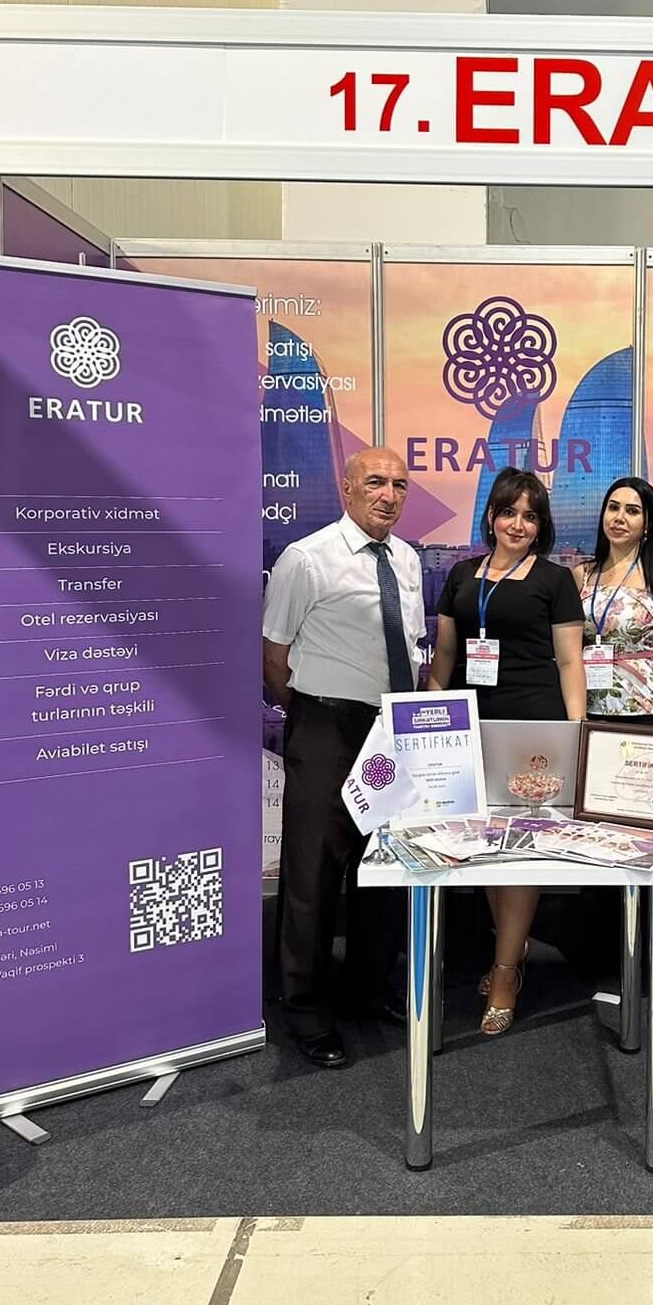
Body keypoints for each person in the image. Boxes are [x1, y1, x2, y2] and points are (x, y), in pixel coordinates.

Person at [262, 447, 425, 1069]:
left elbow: (409, 643)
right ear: (347, 488)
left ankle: (367, 991)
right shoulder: (306, 559)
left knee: (382, 864)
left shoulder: (406, 559)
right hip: (327, 725)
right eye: (376, 482)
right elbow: (274, 656)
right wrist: (312, 711)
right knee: (312, 872)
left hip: (391, 729)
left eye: (399, 485)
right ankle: (303, 1008)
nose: (389, 494)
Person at [427, 468, 586, 1035]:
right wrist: (428, 724)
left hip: (532, 727)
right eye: (509, 512)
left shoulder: (554, 579)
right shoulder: (460, 574)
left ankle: (502, 972)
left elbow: (570, 661)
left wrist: (576, 732)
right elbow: (445, 657)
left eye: (530, 516)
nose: (518, 524)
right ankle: (511, 954)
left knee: (519, 849)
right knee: (485, 847)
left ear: (540, 525)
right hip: (469, 725)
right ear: (491, 516)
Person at [574, 477, 653, 728]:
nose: (619, 517)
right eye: (613, 507)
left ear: (648, 523)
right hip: (586, 708)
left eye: (632, 511)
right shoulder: (582, 574)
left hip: (646, 706)